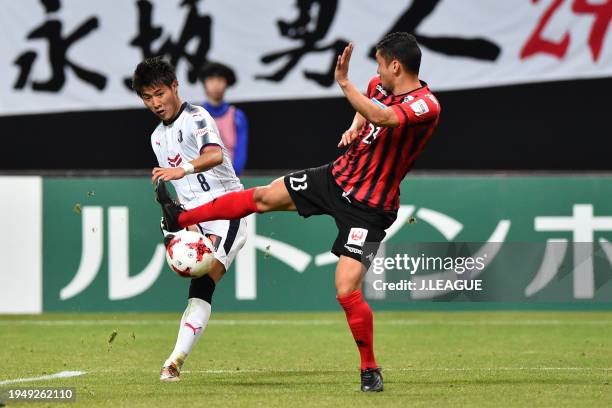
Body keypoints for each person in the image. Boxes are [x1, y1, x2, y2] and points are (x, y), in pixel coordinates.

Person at [157, 32, 441, 392]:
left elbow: (383, 117)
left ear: (396, 66)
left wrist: (342, 83)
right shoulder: (376, 85)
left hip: (372, 210)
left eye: (381, 64)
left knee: (346, 289)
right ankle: (181, 217)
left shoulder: (426, 105)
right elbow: (368, 106)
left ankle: (369, 368)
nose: (377, 71)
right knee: (259, 197)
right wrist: (355, 126)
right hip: (335, 177)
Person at [131, 57, 248, 382]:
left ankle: (173, 361)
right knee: (198, 287)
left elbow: (214, 155)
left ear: (174, 86)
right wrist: (185, 221)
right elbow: (181, 191)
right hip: (198, 217)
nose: (155, 103)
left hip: (228, 210)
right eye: (147, 97)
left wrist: (180, 169)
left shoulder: (197, 116)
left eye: (159, 93)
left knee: (202, 282)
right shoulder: (157, 138)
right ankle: (175, 362)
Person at [199, 62, 249, 175]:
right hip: (202, 178)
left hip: (230, 178)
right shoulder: (194, 116)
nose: (216, 84)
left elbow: (241, 151)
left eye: (220, 80)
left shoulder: (237, 116)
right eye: (211, 79)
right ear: (204, 83)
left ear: (226, 83)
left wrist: (233, 175)